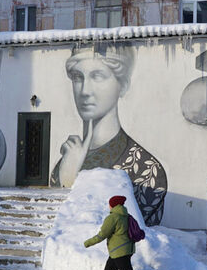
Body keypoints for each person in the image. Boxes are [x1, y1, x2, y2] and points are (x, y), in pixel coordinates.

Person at [49, 44, 167, 226]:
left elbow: (115, 227)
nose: (85, 91)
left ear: (123, 86)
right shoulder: (65, 161)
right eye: (78, 77)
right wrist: (66, 175)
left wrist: (70, 179)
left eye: (97, 76)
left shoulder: (147, 170)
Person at [84, 195, 149, 270]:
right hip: (126, 249)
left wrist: (88, 243)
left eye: (110, 204)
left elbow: (102, 234)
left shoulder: (113, 217)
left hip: (119, 250)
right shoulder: (127, 216)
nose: (109, 206)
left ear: (113, 205)